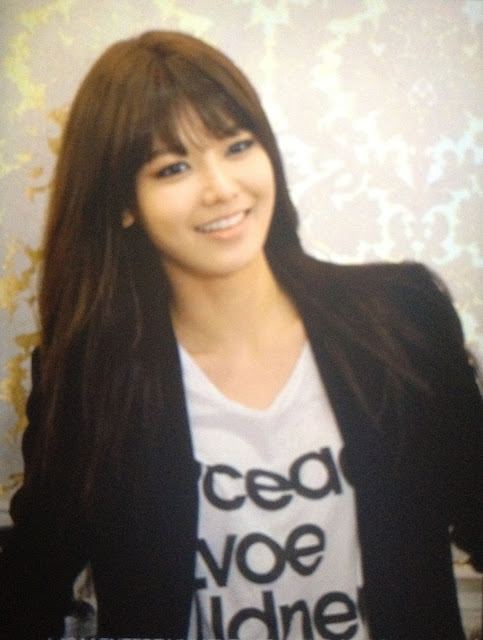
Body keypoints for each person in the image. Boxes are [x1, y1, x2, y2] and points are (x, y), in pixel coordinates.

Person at [0, 30, 481, 640]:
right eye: (173, 167)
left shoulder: (400, 316)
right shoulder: (92, 376)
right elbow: (34, 579)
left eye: (237, 146)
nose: (222, 188)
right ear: (123, 202)